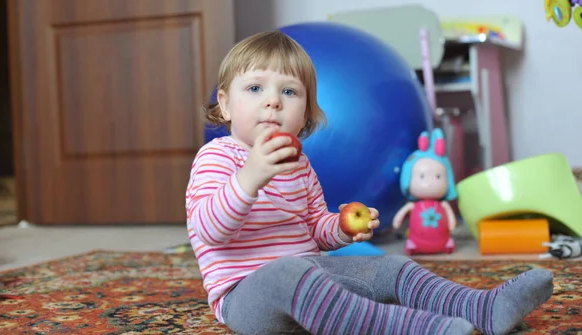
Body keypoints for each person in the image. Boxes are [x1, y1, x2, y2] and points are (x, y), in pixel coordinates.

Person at [185, 30, 554, 335]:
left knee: (392, 268)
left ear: (306, 113)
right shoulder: (217, 157)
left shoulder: (299, 165)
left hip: (312, 277)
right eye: (254, 89)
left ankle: (480, 308)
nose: (272, 103)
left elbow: (315, 229)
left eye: (289, 92)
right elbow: (208, 230)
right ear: (226, 104)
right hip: (246, 296)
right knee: (290, 272)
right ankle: (411, 328)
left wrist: (342, 227)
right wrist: (251, 176)